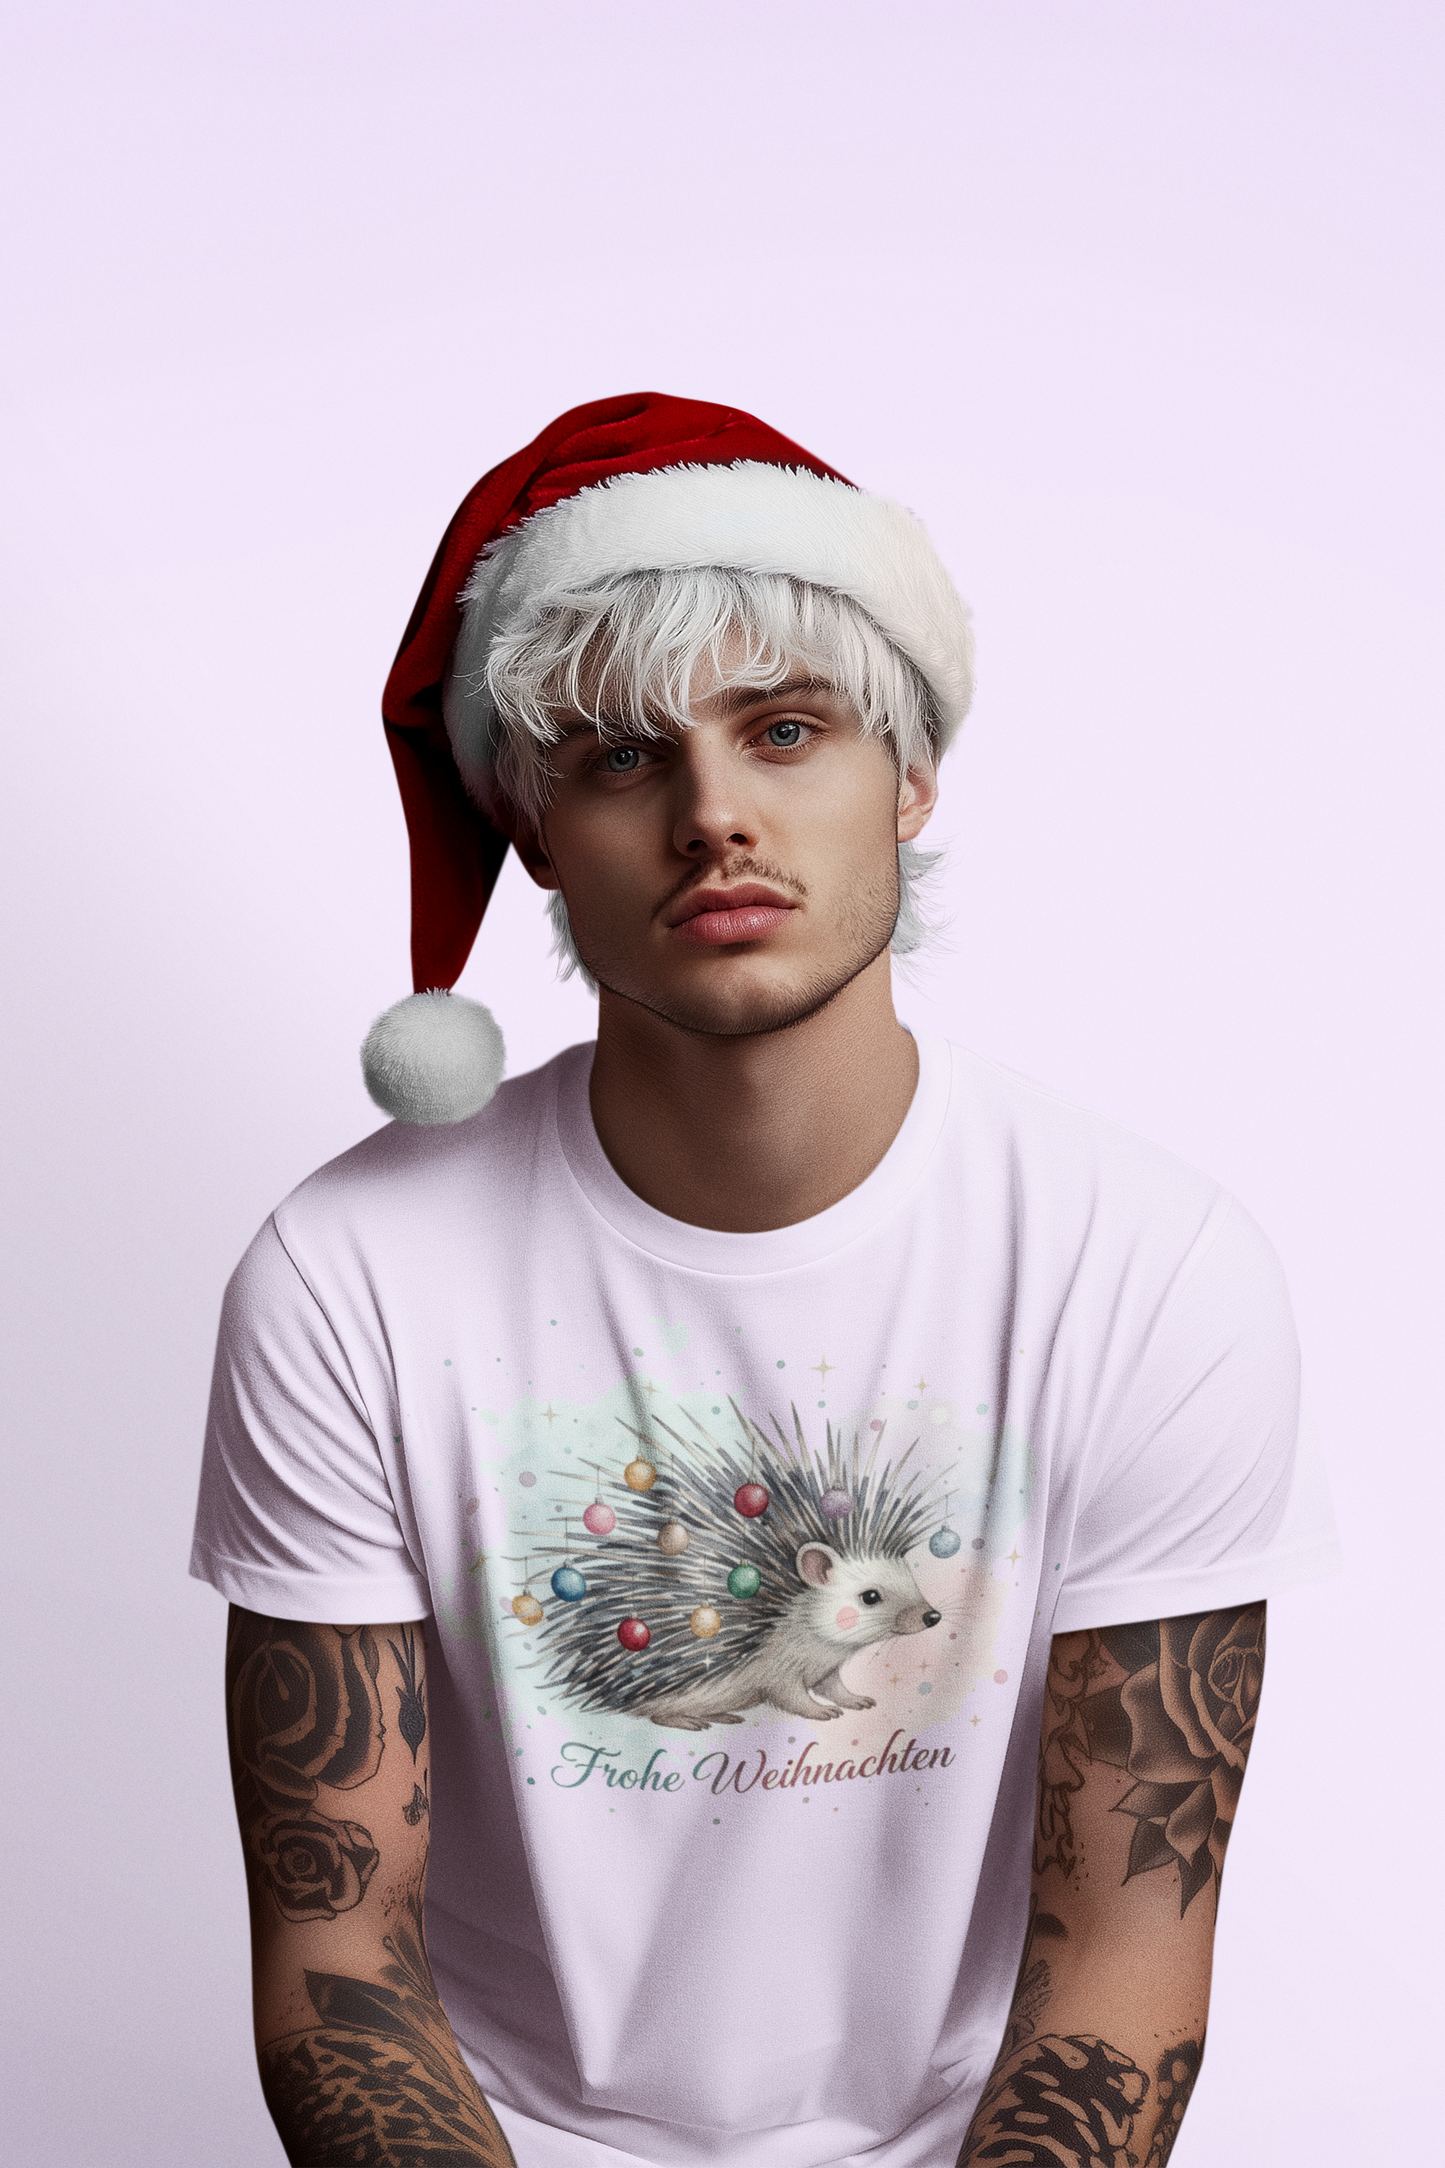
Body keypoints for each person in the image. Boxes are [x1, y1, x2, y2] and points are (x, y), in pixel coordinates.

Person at [192, 391, 1339, 2168]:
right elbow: (343, 1947)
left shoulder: (1152, 1265)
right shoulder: (346, 1275)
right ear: (537, 824)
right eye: (625, 758)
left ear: (911, 771)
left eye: (785, 728)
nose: (716, 815)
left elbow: (1123, 1955)